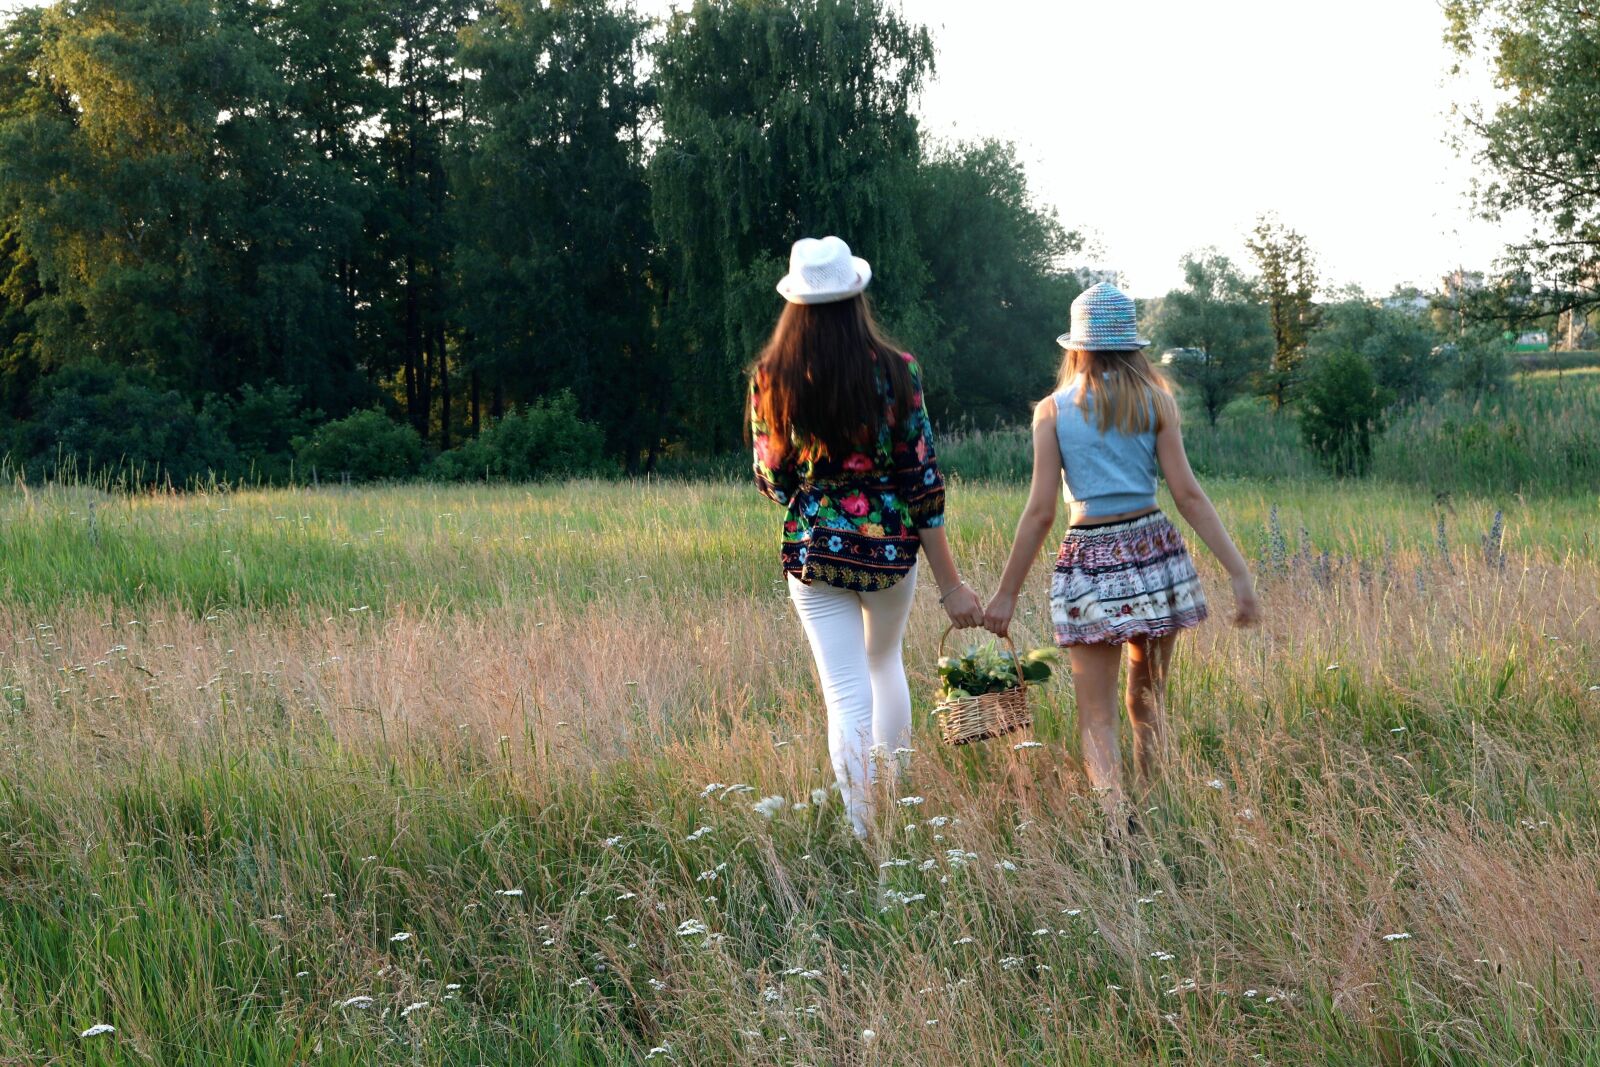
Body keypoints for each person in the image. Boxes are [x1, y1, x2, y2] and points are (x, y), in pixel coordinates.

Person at [982, 282, 1261, 829]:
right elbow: (1188, 495)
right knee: (1147, 695)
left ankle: (1115, 820)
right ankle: (1151, 795)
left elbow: (1040, 512)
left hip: (1089, 560)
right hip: (1153, 552)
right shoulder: (1157, 401)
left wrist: (1005, 595)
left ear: (1076, 346)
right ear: (1132, 344)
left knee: (1096, 713)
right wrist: (1239, 573)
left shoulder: (1053, 411)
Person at [751, 236, 983, 838]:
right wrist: (952, 586)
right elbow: (922, 481)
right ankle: (898, 805)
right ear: (856, 296)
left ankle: (863, 827)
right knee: (884, 663)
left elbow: (772, 479)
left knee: (844, 691)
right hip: (889, 553)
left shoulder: (771, 377)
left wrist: (814, 486)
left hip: (814, 548)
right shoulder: (897, 373)